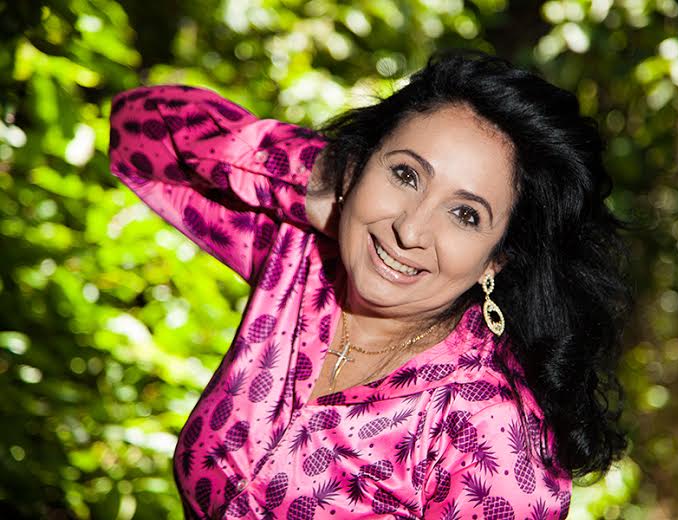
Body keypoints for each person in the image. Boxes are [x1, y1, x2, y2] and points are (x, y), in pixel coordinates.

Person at [108, 49, 631, 519]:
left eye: (465, 215)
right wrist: (317, 177)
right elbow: (138, 131)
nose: (410, 230)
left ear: (496, 261)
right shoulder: (304, 260)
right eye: (405, 175)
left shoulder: (493, 435)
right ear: (359, 164)